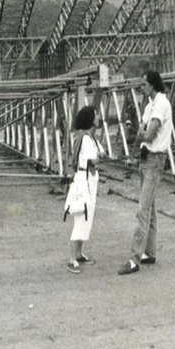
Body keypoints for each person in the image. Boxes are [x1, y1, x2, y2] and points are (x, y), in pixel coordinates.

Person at [119, 70, 173, 275]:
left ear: (151, 85)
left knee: (142, 209)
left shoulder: (161, 104)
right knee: (150, 207)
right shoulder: (150, 105)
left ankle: (134, 259)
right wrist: (142, 131)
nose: (141, 88)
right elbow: (142, 130)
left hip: (154, 159)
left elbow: (147, 134)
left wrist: (143, 131)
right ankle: (149, 251)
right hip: (146, 159)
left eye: (143, 84)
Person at [66, 106, 103, 274]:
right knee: (82, 216)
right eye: (96, 115)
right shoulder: (86, 139)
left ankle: (79, 254)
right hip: (85, 180)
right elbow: (94, 160)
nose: (98, 117)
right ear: (90, 119)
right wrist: (100, 157)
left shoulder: (88, 137)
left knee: (86, 217)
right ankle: (72, 258)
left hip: (88, 179)